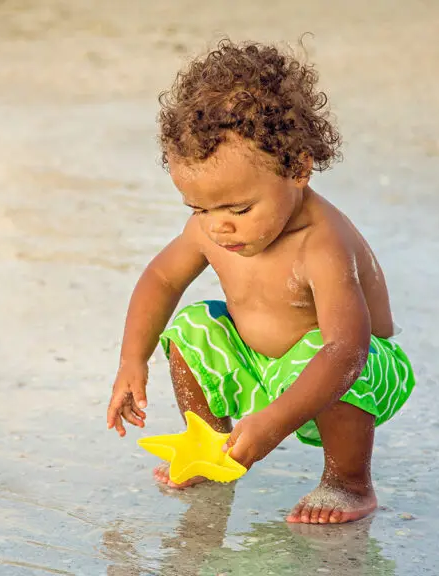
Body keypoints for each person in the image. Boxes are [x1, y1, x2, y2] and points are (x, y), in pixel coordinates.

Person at [105, 39, 416, 525]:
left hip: (351, 373)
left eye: (239, 209)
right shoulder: (211, 228)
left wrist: (272, 423)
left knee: (333, 352)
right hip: (264, 365)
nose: (216, 227)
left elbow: (347, 350)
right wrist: (131, 359)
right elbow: (161, 278)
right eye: (199, 209)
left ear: (297, 169)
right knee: (191, 328)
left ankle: (348, 482)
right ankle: (208, 447)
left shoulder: (321, 243)